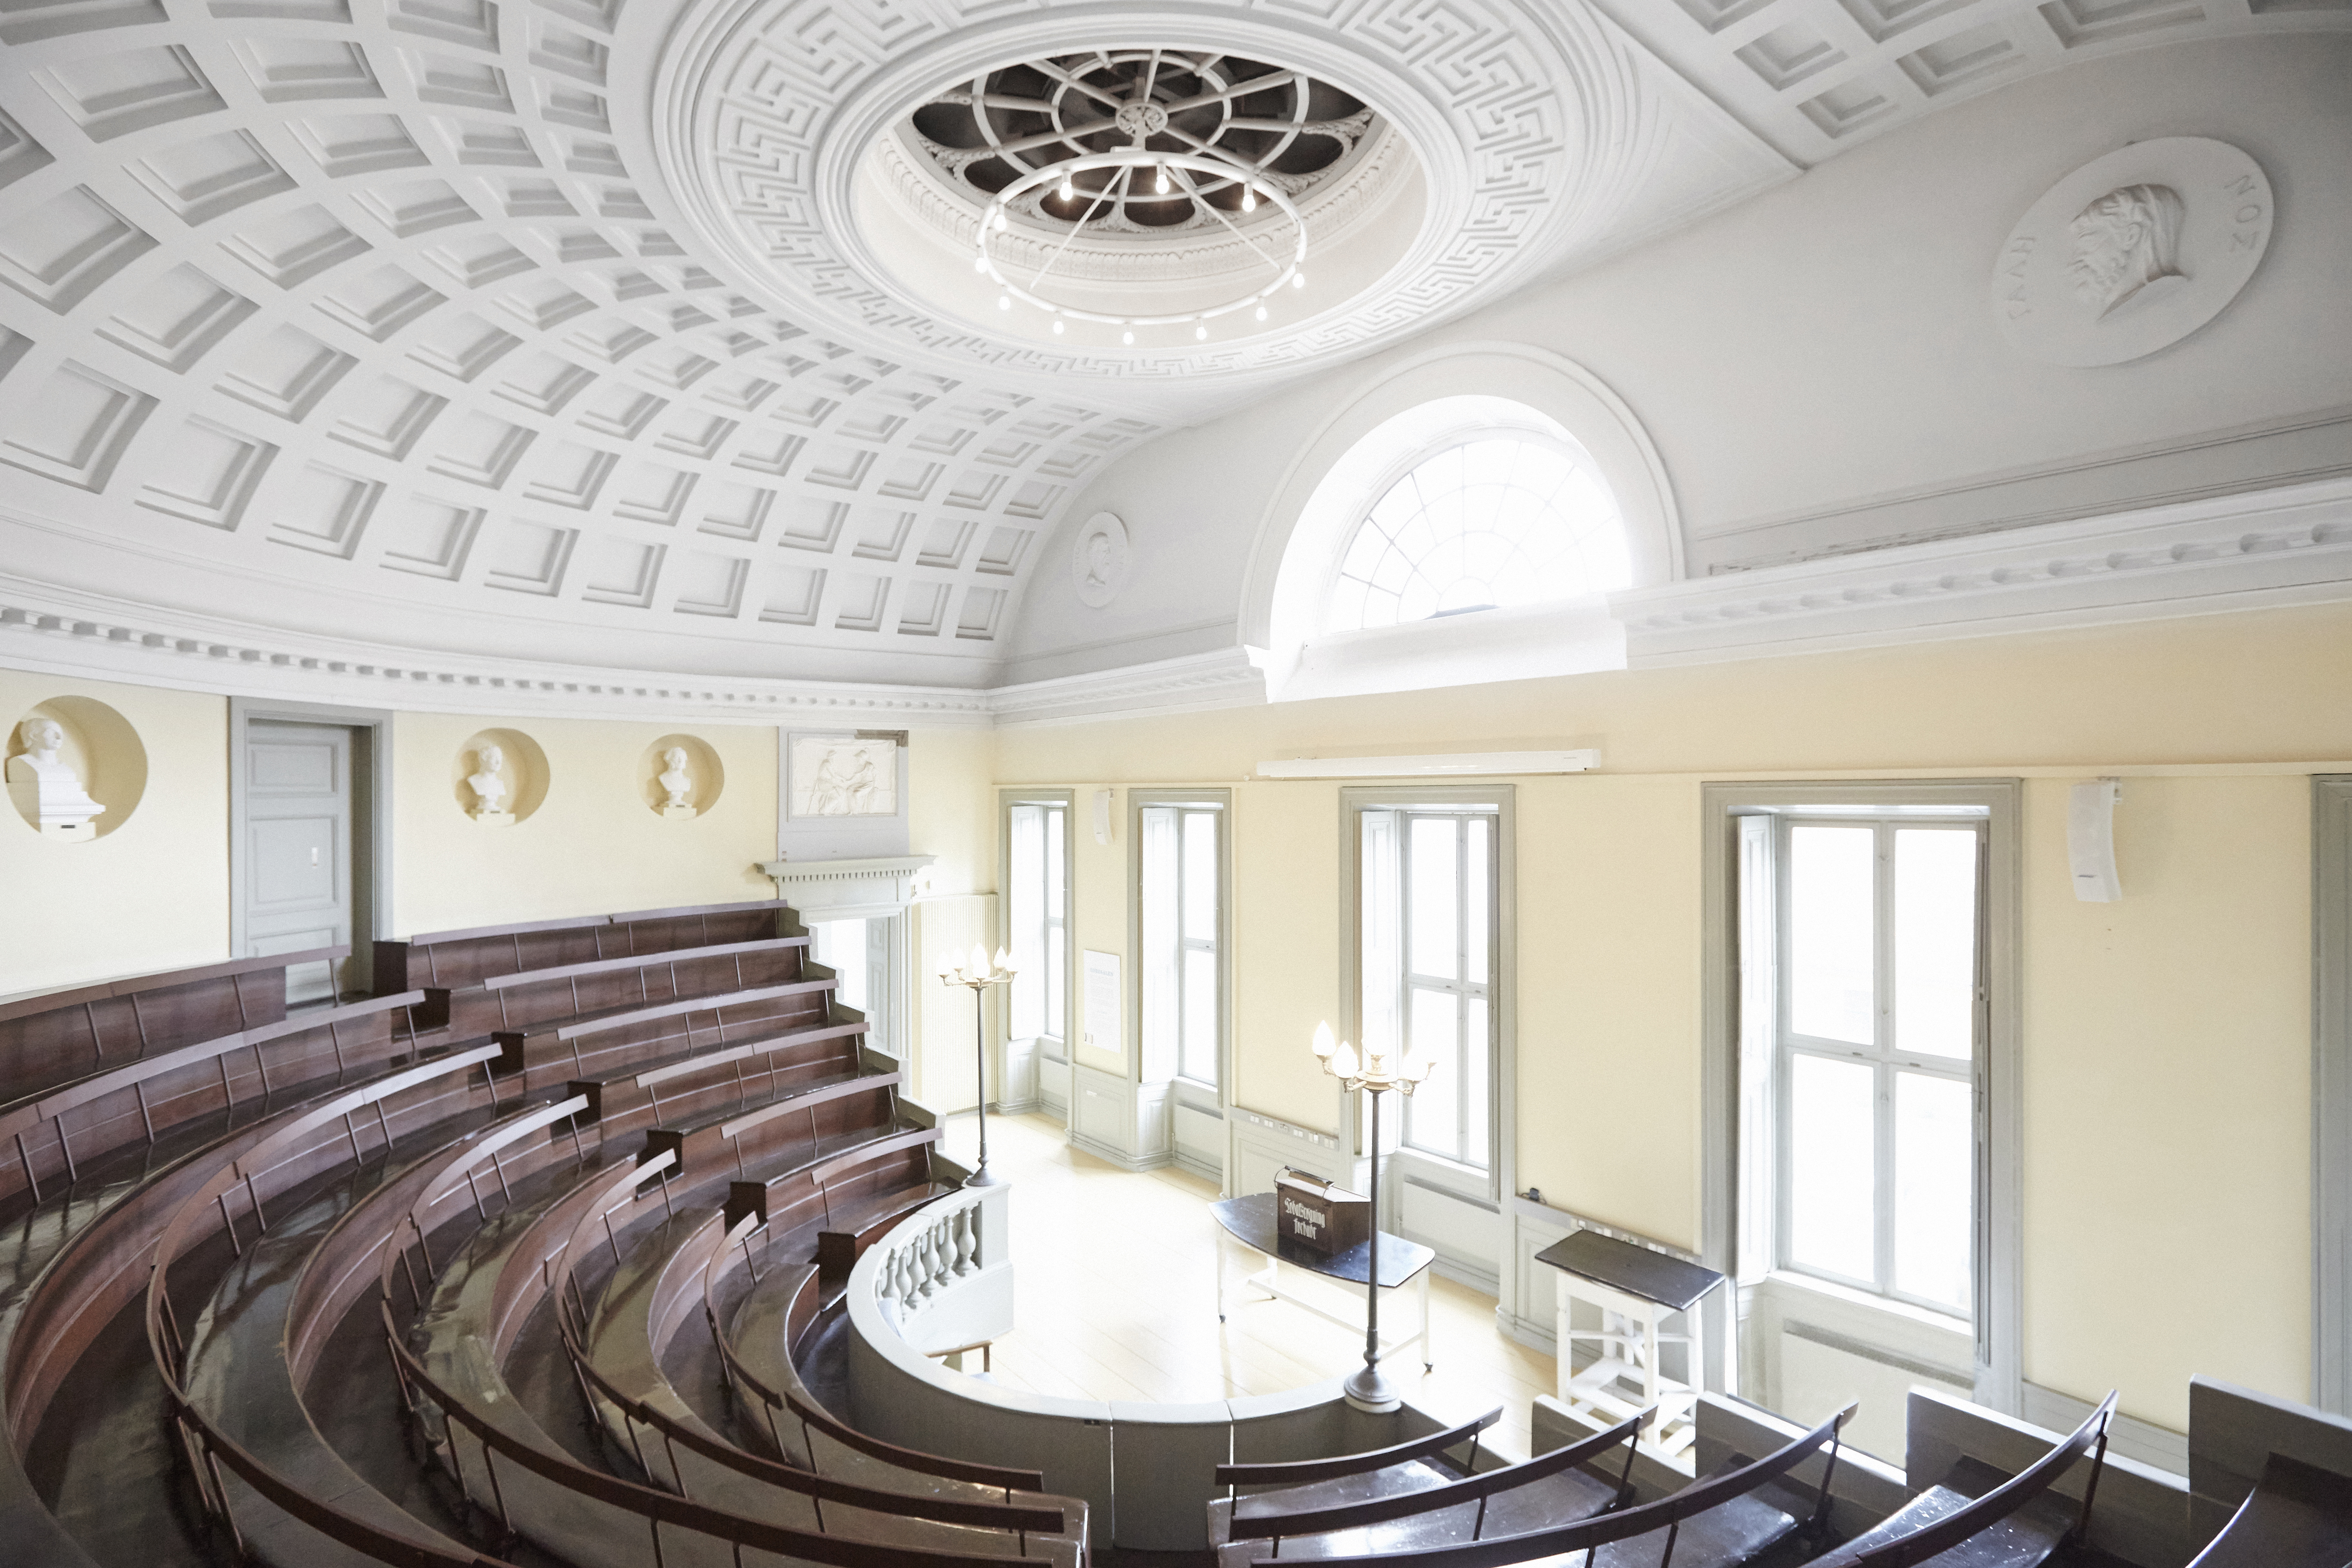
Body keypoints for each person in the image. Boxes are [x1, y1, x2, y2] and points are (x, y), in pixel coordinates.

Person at [2066, 183, 2187, 319]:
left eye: (2087, 243)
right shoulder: (2114, 316)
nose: (2072, 266)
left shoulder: (2167, 297)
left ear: (2131, 236)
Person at [468, 744, 509, 816]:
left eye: (500, 758)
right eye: (494, 758)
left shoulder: (499, 783)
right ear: (483, 760)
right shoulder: (474, 780)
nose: (498, 762)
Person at [658, 746, 693, 810]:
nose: (680, 761)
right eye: (677, 757)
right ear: (670, 760)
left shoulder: (687, 781)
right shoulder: (663, 778)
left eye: (682, 758)